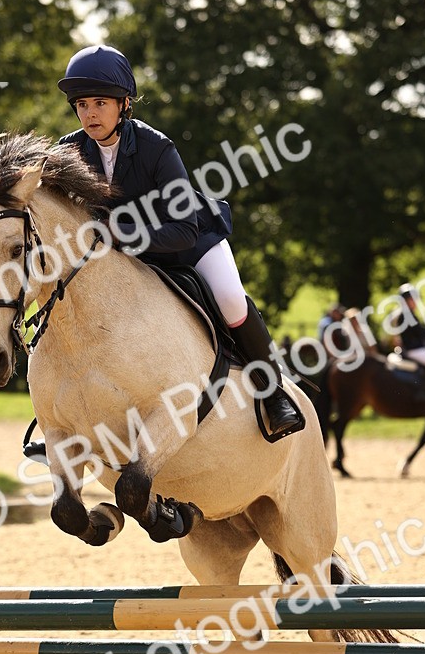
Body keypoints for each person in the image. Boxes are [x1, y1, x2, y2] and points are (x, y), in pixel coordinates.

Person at [52, 44, 303, 440]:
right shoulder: (69, 150)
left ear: (124, 104)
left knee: (232, 301)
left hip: (189, 242)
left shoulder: (157, 148)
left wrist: (120, 235)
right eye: (81, 104)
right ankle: (58, 420)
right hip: (126, 256)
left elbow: (182, 228)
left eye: (100, 102)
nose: (90, 114)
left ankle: (274, 395)